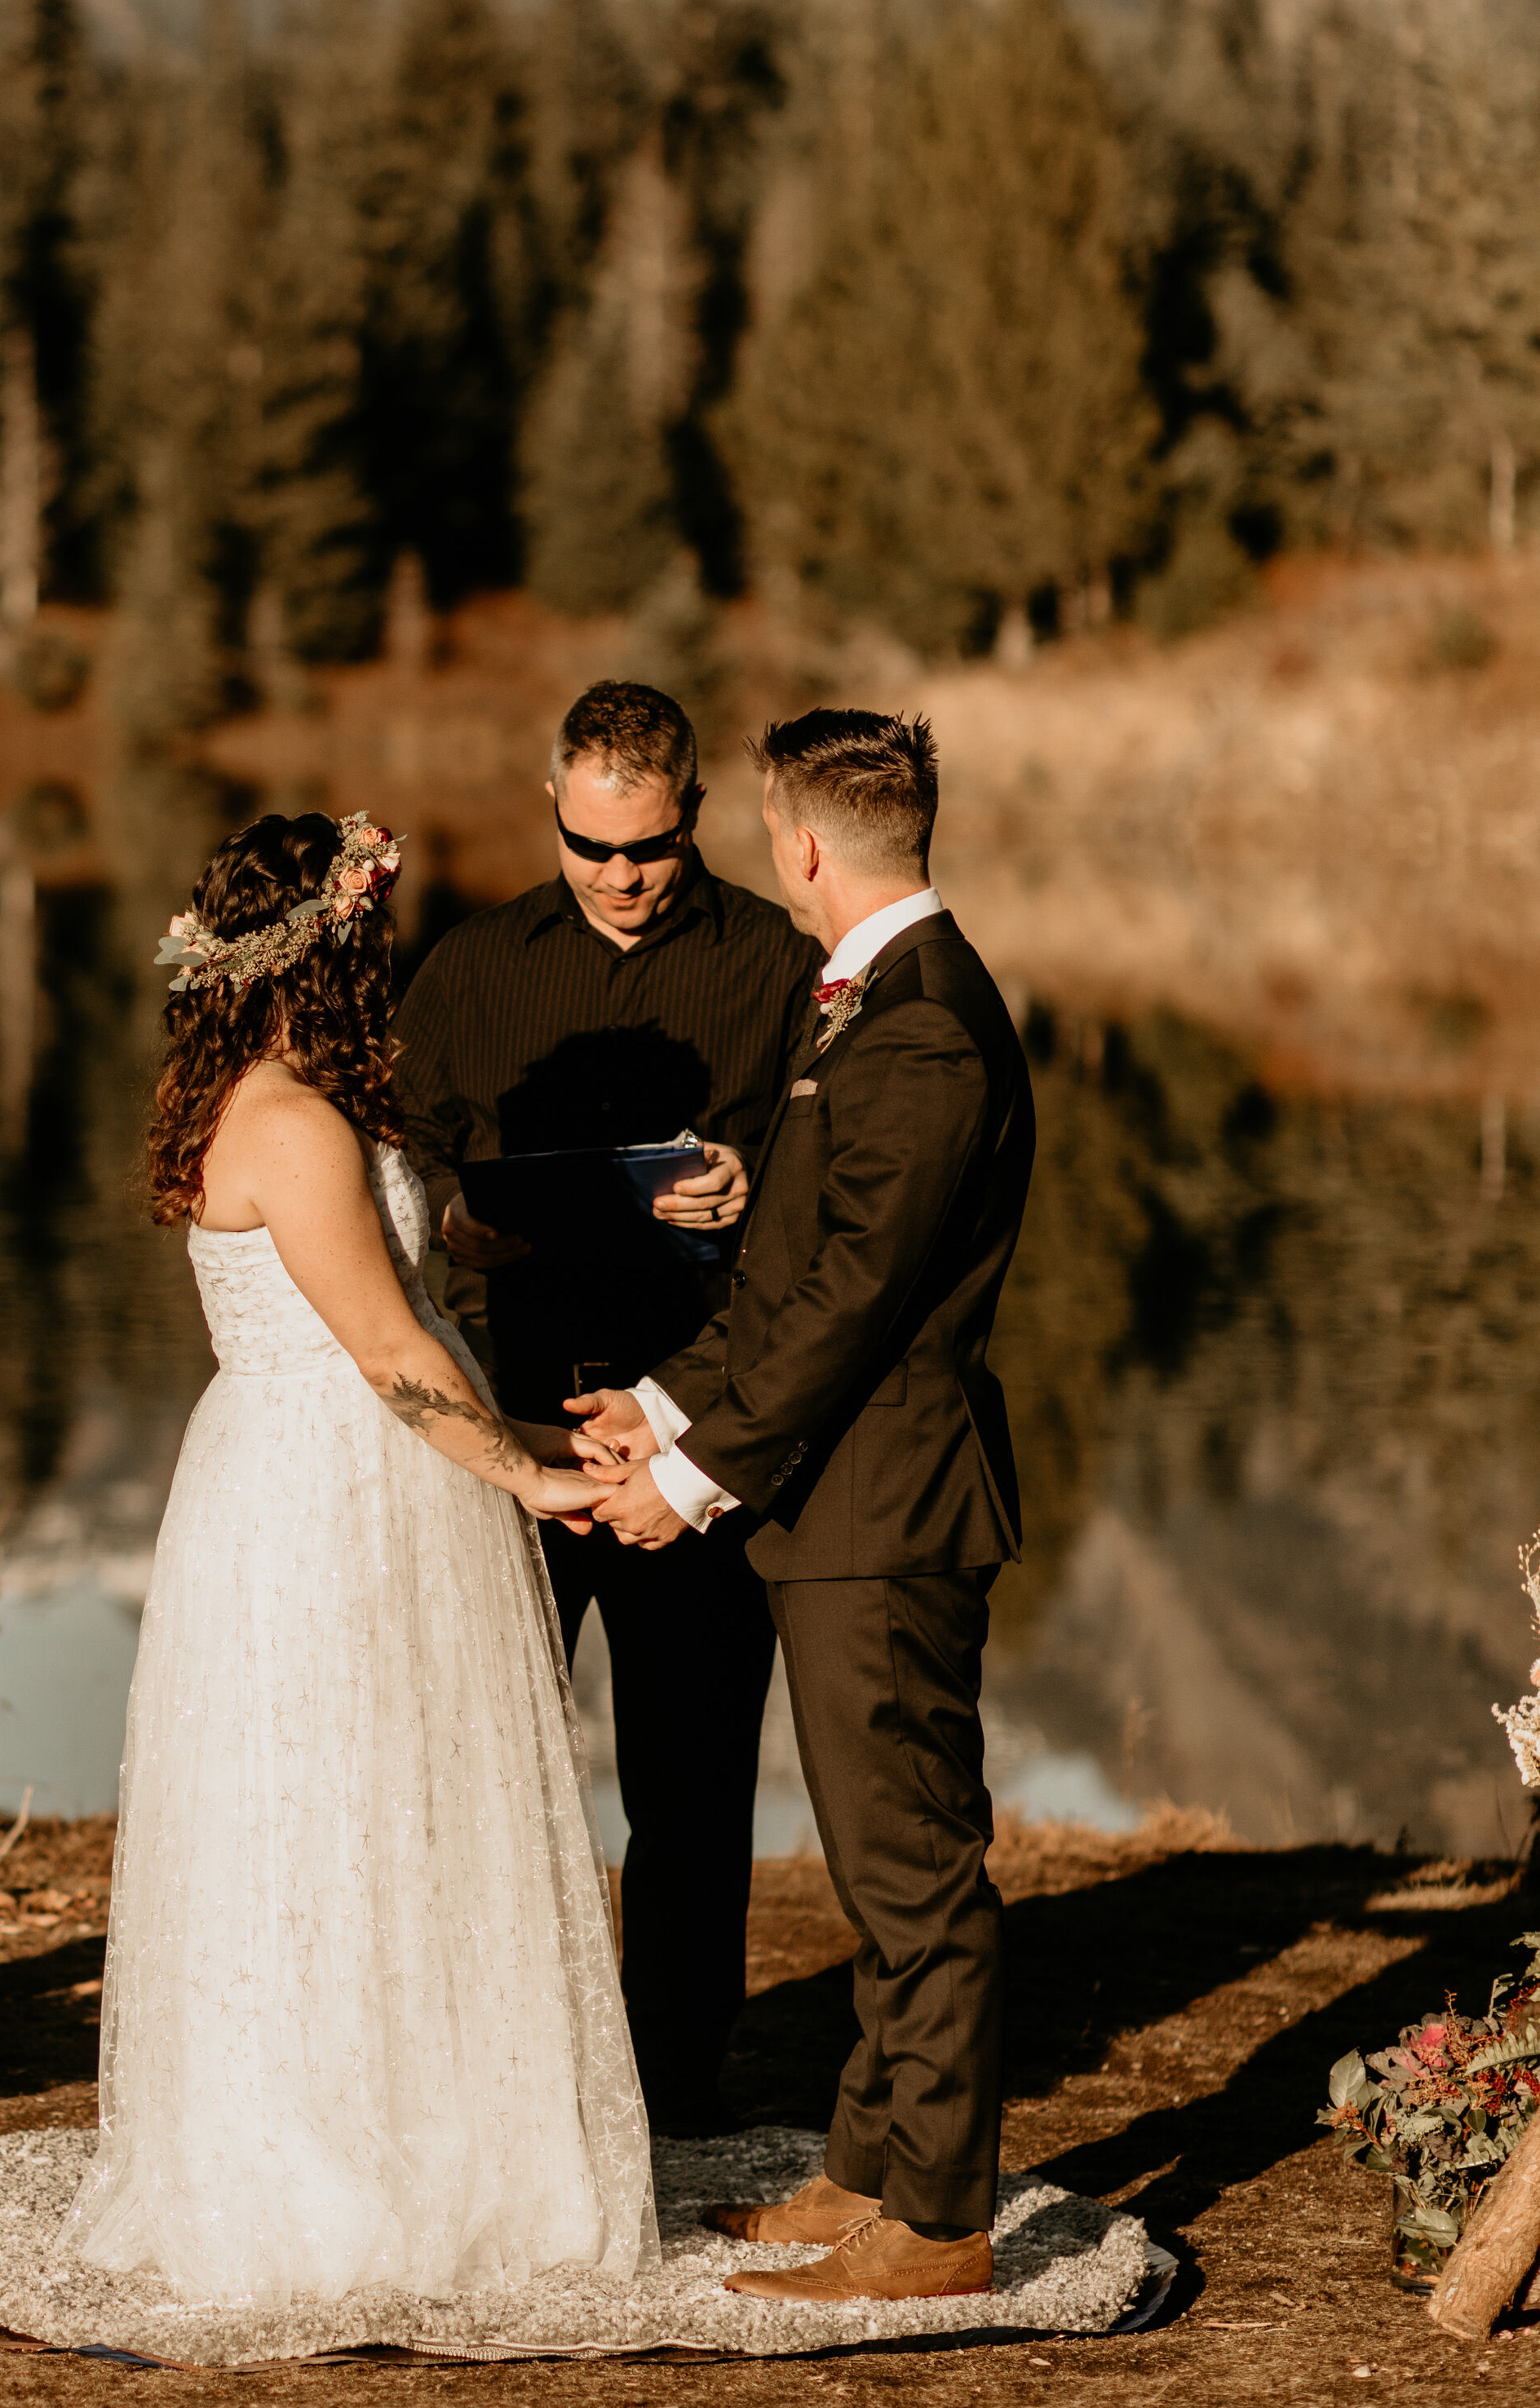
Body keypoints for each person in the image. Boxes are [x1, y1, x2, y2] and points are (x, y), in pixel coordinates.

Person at [60, 808, 655, 2309]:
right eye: (370, 938)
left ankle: (400, 2125)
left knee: (374, 1802)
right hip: (329, 1501)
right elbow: (385, 1349)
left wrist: (525, 1419)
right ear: (329, 954)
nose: (387, 961)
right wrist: (526, 1475)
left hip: (338, 1471)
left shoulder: (263, 1099)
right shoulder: (295, 1123)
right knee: (346, 1799)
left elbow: (400, 1330)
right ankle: (341, 2169)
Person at [576, 709, 1034, 2309]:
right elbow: (789, 1276)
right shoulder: (873, 1005)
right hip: (841, 1504)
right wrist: (651, 1401)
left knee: (910, 1868)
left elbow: (851, 1301)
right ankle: (869, 2165)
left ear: (800, 845)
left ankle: (940, 2219)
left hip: (886, 1514)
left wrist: (687, 1483)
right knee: (870, 1860)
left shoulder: (920, 1028)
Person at [394, 681, 820, 2135]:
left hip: (695, 1427)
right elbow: (406, 1153)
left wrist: (755, 1183)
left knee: (691, 1785)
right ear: (556, 817)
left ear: (692, 816)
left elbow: (831, 1182)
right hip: (508, 1422)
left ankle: (678, 2093)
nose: (621, 876)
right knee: (478, 1759)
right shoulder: (469, 965)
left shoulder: (776, 962)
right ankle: (483, 2071)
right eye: (591, 847)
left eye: (647, 848)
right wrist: (456, 1215)